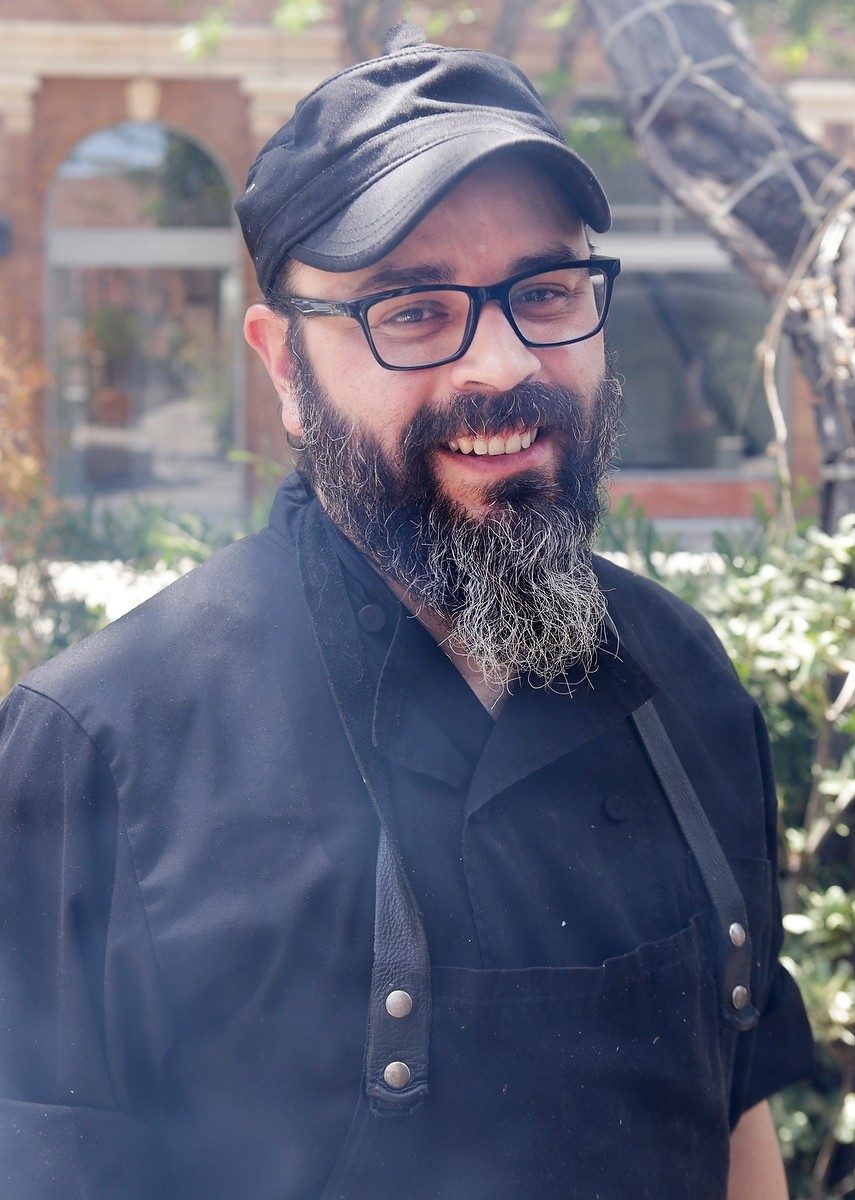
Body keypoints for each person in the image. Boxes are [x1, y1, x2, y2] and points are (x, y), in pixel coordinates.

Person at [0, 23, 813, 1200]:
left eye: (544, 291)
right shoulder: (94, 753)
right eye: (415, 310)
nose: (502, 365)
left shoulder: (681, 678)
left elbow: (735, 1129)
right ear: (286, 367)